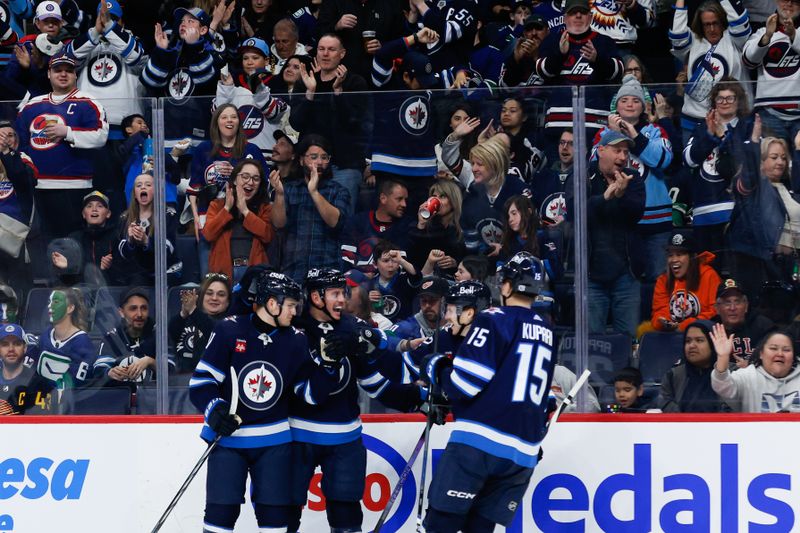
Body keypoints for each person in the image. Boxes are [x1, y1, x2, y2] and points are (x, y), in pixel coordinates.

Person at [188, 269, 340, 532]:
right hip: (229, 439)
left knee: (275, 518)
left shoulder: (295, 340)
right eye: (291, 305)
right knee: (219, 515)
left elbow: (309, 394)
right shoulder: (229, 330)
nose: (295, 312)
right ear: (272, 303)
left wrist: (327, 367)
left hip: (274, 442)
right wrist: (215, 410)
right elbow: (202, 382)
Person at [421, 251, 556, 531]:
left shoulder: (494, 318)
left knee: (439, 525)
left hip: (479, 445)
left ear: (507, 286)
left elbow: (464, 385)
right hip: (522, 454)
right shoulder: (547, 329)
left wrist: (437, 369)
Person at [289, 268, 420, 532]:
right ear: (316, 296)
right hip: (297, 437)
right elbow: (306, 394)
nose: (342, 300)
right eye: (335, 293)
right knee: (284, 514)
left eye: (344, 293)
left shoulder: (350, 327)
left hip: (344, 439)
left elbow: (375, 382)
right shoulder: (293, 331)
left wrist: (418, 398)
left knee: (346, 515)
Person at [16, 53, 109, 238]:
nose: (63, 74)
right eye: (58, 70)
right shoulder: (32, 105)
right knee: (42, 240)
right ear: (49, 74)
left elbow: (101, 136)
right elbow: (19, 142)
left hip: (76, 186)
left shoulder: (88, 102)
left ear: (76, 75)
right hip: (38, 186)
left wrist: (67, 132)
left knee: (74, 239)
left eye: (69, 70)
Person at [594, 74, 673, 281]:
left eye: (636, 100)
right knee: (626, 282)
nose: (630, 104)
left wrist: (636, 138)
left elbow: (663, 160)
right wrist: (612, 135)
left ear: (644, 106)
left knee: (659, 281)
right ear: (616, 106)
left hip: (656, 221)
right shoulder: (602, 134)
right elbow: (595, 163)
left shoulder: (655, 130)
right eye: (624, 100)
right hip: (619, 221)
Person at [289, 33, 369, 212]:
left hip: (344, 166)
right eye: (321, 49)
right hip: (310, 166)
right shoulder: (306, 81)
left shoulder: (355, 82)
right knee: (308, 221)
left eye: (331, 49)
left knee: (342, 221)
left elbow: (354, 123)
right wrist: (310, 93)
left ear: (342, 53)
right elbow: (296, 122)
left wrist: (338, 92)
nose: (325, 54)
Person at [583, 131, 645, 336]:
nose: (622, 157)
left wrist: (620, 195)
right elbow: (576, 214)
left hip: (626, 275)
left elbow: (636, 213)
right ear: (601, 150)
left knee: (627, 339)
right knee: (591, 341)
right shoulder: (583, 175)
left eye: (625, 152)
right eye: (617, 150)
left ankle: (625, 370)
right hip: (590, 275)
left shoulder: (633, 178)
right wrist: (605, 197)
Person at [683, 78, 753, 254]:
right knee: (707, 274)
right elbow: (688, 160)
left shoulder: (747, 128)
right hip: (703, 212)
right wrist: (709, 135)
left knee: (735, 277)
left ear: (739, 101)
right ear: (714, 101)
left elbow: (741, 165)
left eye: (730, 98)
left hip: (737, 213)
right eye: (720, 98)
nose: (725, 102)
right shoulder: (701, 128)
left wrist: (723, 137)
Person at [535, 0, 624, 136]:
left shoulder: (604, 41)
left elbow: (618, 72)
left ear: (590, 17)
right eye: (573, 13)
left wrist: (597, 59)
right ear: (565, 18)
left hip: (596, 122)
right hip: (558, 121)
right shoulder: (552, 40)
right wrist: (560, 55)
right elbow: (542, 72)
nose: (578, 16)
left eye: (582, 12)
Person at [728, 132, 800, 298]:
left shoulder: (787, 188)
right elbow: (748, 177)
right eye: (774, 157)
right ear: (760, 162)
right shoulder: (755, 188)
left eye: (783, 157)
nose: (780, 162)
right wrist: (753, 144)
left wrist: (798, 150)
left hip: (788, 265)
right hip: (758, 264)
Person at [187, 103, 268, 250]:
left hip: (243, 216)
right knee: (210, 270)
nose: (229, 120)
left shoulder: (252, 150)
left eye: (233, 117)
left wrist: (236, 174)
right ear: (216, 122)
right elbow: (194, 187)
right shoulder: (203, 149)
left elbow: (263, 185)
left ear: (239, 122)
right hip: (210, 216)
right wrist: (196, 218)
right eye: (224, 117)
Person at [270, 134, 351, 280]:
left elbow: (335, 222)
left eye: (324, 157)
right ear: (301, 160)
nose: (319, 162)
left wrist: (313, 191)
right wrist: (280, 195)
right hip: (293, 269)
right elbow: (278, 224)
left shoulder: (339, 191)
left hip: (327, 270)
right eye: (313, 157)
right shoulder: (289, 189)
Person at [670, 0, 750, 144]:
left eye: (716, 23)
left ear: (723, 22)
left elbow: (739, 23)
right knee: (692, 164)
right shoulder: (693, 41)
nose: (712, 29)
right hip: (694, 120)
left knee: (729, 165)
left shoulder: (735, 40)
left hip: (731, 120)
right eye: (707, 24)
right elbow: (677, 36)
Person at [66, 0, 146, 132]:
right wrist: (96, 32)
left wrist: (109, 27)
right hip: (88, 123)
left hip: (128, 126)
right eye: (103, 18)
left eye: (114, 19)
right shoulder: (86, 43)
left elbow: (136, 57)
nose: (107, 22)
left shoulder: (135, 42)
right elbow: (68, 58)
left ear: (122, 23)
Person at [203, 160, 273, 283]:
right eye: (245, 176)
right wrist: (227, 208)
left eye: (256, 179)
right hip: (223, 274)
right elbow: (208, 234)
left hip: (254, 273)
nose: (250, 182)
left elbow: (267, 235)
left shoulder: (264, 208)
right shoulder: (217, 205)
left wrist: (245, 211)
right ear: (235, 180)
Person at [742, 0, 800, 143]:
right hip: (769, 112)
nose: (789, 4)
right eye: (784, 0)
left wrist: (793, 35)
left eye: (795, 1)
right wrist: (767, 37)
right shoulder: (762, 32)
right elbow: (748, 60)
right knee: (771, 162)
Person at [711, 326, 800, 412]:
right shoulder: (748, 376)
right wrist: (722, 357)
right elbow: (723, 388)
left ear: (793, 356)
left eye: (786, 350)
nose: (780, 354)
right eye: (773, 348)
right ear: (761, 354)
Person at [651, 229, 722, 331]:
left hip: (704, 334)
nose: (674, 260)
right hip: (670, 337)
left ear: (692, 257)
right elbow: (659, 311)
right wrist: (663, 321)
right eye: (670, 255)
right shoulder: (663, 280)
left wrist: (686, 325)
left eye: (679, 254)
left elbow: (715, 311)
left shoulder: (709, 275)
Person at [94, 287, 165, 384]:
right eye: (133, 308)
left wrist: (150, 362)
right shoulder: (112, 338)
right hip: (120, 396)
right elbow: (99, 369)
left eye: (143, 308)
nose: (139, 314)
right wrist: (109, 372)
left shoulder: (159, 335)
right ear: (121, 312)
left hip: (153, 397)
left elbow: (171, 371)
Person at [51, 190, 120, 287]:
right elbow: (67, 281)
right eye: (89, 206)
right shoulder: (73, 239)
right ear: (83, 214)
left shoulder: (117, 237)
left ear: (108, 213)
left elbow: (125, 275)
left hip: (110, 295)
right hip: (81, 296)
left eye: (100, 206)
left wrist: (108, 268)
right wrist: (65, 269)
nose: (94, 209)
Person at [340, 177, 410, 272]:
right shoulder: (356, 222)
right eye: (399, 199)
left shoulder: (405, 227)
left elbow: (401, 268)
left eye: (405, 200)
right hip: (356, 283)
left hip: (388, 284)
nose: (404, 204)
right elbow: (346, 262)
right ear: (383, 198)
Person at [657, 319, 727, 412]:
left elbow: (733, 409)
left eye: (699, 340)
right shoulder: (673, 375)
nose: (691, 345)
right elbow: (665, 405)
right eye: (688, 341)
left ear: (713, 343)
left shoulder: (731, 373)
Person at [169, 272, 231, 375]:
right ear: (201, 296)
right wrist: (184, 313)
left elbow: (213, 332)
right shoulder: (185, 319)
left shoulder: (230, 325)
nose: (214, 298)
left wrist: (193, 310)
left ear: (228, 302)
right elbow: (170, 335)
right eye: (209, 293)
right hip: (179, 384)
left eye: (221, 294)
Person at [0, 118, 35, 298]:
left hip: (16, 234)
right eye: (1, 136)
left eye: (10, 135)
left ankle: (18, 321)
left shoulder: (23, 158)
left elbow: (25, 181)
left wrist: (6, 153)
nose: (6, 139)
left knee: (18, 285)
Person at [35, 288, 95, 389]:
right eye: (49, 302)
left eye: (56, 302)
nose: (49, 306)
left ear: (70, 308)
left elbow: (76, 383)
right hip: (41, 400)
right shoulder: (46, 335)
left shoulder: (82, 342)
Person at [407, 180, 467, 278]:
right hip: (420, 280)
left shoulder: (458, 227)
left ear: (453, 201)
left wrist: (455, 262)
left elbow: (465, 257)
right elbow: (411, 256)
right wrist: (421, 224)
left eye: (442, 196)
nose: (437, 200)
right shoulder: (418, 226)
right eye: (434, 196)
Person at [712, 278, 775, 364]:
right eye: (727, 302)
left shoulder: (764, 326)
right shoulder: (711, 329)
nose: (732, 308)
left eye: (737, 302)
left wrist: (752, 365)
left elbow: (774, 358)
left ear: (746, 306)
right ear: (717, 308)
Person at [387, 276, 450, 352]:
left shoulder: (455, 326)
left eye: (432, 300)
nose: (427, 305)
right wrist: (406, 345)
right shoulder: (409, 326)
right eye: (424, 301)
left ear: (445, 301)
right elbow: (384, 338)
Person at [366, 239, 420, 322]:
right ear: (375, 264)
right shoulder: (370, 284)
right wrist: (367, 300)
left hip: (405, 328)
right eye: (386, 261)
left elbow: (417, 276)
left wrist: (401, 260)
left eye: (394, 261)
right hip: (380, 328)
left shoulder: (404, 279)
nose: (390, 265)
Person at [501, 14, 549, 87]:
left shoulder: (555, 52)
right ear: (524, 33)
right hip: (517, 97)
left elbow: (555, 85)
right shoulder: (517, 53)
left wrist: (536, 58)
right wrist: (515, 60)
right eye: (529, 29)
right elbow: (505, 87)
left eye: (539, 28)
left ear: (547, 31)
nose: (534, 33)